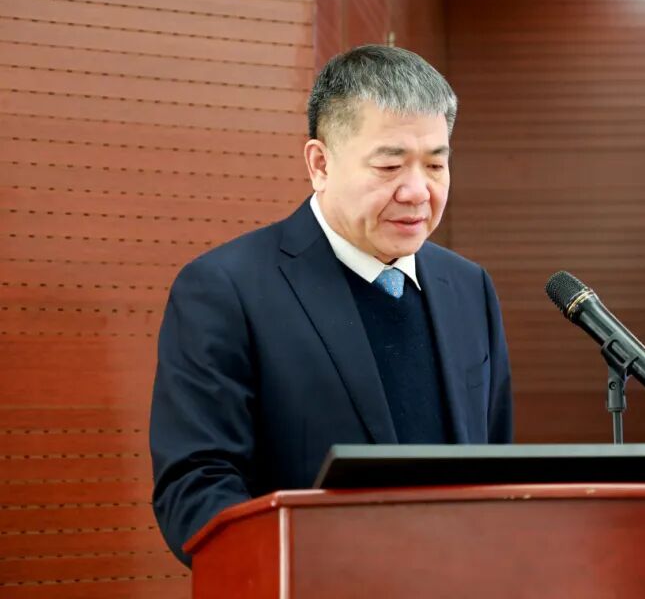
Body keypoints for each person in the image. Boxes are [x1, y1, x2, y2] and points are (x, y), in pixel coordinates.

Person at [149, 45, 513, 566]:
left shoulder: (468, 287)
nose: (417, 191)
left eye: (436, 164)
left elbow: (496, 464)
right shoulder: (225, 289)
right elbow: (197, 488)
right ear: (320, 163)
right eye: (390, 165)